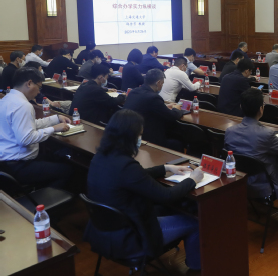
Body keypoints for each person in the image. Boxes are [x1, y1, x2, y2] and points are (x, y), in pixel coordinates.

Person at [84, 109, 204, 271]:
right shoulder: (126, 166)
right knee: (195, 222)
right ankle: (196, 268)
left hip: (103, 232)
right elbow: (167, 196)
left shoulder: (100, 157)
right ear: (129, 137)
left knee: (166, 209)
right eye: (139, 135)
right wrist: (193, 179)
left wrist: (165, 168)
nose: (141, 139)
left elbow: (136, 176)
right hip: (133, 237)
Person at [225, 89, 278, 209]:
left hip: (239, 178)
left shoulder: (229, 131)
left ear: (241, 107)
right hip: (263, 182)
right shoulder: (266, 134)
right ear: (261, 109)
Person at [0, 67, 73, 189]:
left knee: (57, 157)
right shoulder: (23, 105)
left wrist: (56, 118)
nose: (39, 92)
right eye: (39, 87)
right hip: (19, 165)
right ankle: (45, 199)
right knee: (66, 170)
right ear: (29, 83)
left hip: (6, 163)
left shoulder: (7, 99)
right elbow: (26, 138)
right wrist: (54, 128)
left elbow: (29, 125)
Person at [123, 69, 185, 152]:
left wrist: (164, 106)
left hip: (129, 134)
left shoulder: (134, 92)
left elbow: (146, 106)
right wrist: (176, 109)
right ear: (158, 82)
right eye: (162, 83)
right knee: (178, 143)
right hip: (148, 138)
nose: (162, 86)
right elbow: (172, 116)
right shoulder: (154, 97)